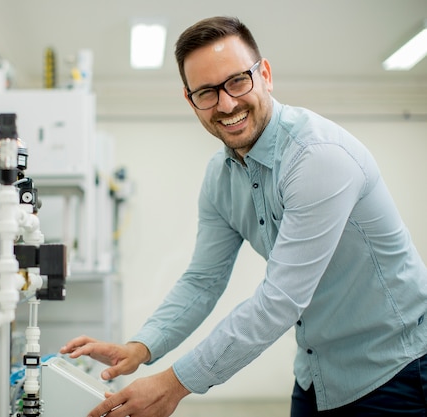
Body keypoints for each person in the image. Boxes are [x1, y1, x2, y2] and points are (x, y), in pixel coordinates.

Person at [60, 16, 427, 417]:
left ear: (265, 74)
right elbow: (203, 280)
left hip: (396, 371)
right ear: (190, 100)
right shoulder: (221, 177)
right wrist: (142, 347)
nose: (227, 103)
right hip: (316, 375)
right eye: (206, 92)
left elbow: (279, 301)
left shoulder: (318, 158)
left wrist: (174, 384)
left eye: (237, 81)